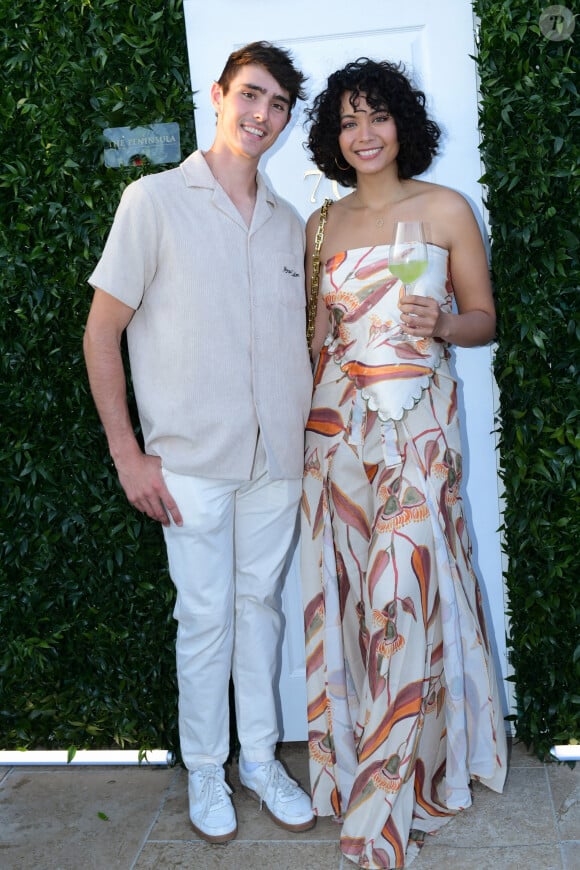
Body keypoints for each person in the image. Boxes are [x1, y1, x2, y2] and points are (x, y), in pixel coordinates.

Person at [83, 41, 315, 844]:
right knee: (207, 616)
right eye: (251, 95)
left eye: (279, 103)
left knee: (261, 613)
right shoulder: (152, 200)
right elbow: (101, 332)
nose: (262, 114)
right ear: (218, 96)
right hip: (190, 464)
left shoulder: (292, 226)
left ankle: (259, 762)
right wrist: (127, 454)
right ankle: (208, 773)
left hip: (277, 463)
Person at [301, 58, 508, 868]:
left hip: (420, 427)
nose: (364, 133)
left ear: (402, 125)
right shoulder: (321, 225)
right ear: (333, 136)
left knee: (406, 592)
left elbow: (484, 319)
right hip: (337, 432)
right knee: (354, 596)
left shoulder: (446, 208)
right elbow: (313, 342)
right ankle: (367, 764)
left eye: (377, 116)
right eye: (349, 121)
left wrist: (443, 322)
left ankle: (391, 799)